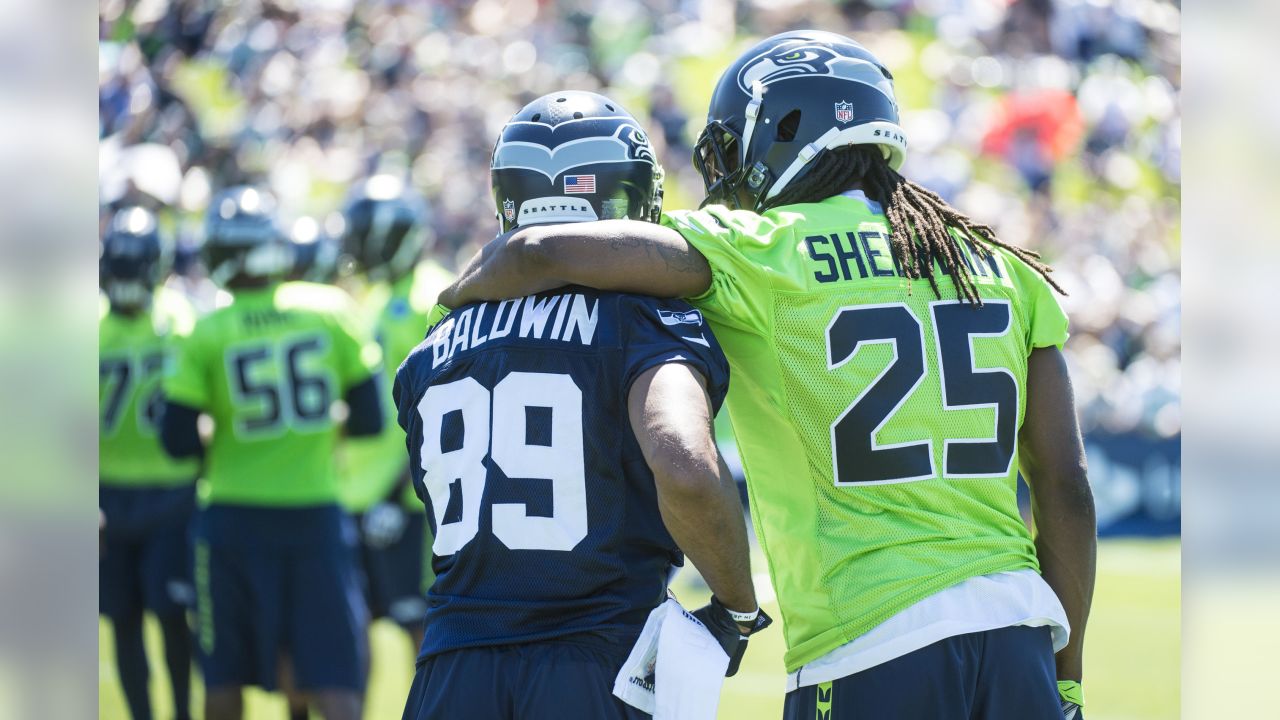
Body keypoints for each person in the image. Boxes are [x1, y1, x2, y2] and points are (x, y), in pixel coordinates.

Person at [438, 31, 1097, 720]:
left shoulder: (762, 251)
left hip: (868, 639)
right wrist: (1067, 678)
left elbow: (542, 249)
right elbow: (1065, 486)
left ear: (781, 131)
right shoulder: (999, 264)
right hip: (1019, 630)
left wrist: (453, 301)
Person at [396, 91, 769, 720]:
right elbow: (682, 463)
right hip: (596, 665)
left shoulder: (434, 344)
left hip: (449, 670)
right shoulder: (646, 317)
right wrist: (736, 606)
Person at [159, 186, 383, 720]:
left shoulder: (203, 328)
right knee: (333, 681)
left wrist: (226, 431)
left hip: (234, 518)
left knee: (223, 680)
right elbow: (370, 417)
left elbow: (178, 442)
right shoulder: (329, 311)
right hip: (316, 514)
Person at [335, 174, 452, 655]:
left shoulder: (433, 295)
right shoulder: (379, 296)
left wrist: (400, 487)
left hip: (405, 498)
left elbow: (441, 410)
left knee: (420, 629)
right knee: (348, 630)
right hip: (360, 490)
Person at [99, 206, 198, 720]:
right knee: (123, 617)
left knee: (172, 614)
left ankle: (181, 713)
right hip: (107, 496)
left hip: (171, 493)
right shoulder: (92, 327)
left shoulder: (180, 321)